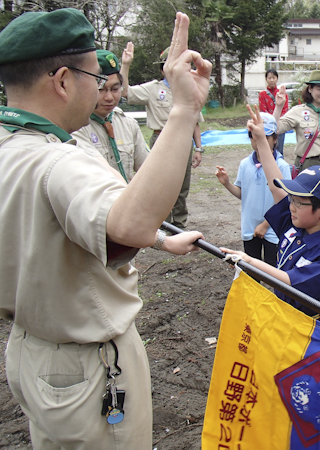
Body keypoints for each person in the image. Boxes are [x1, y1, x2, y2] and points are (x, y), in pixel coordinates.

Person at [0, 9, 209, 448]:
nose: (101, 89)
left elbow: (71, 231)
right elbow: (129, 223)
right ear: (61, 80)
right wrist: (185, 109)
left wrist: (160, 240)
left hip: (32, 348)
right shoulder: (58, 160)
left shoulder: (12, 145)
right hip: (86, 363)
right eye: (95, 76)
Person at [221, 105, 320, 326]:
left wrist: (249, 261)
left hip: (309, 328)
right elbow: (275, 186)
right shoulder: (294, 224)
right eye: (292, 199)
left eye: (299, 201)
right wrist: (260, 139)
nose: (292, 205)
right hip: (282, 318)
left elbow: (290, 281)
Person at [120, 42, 204, 229]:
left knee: (182, 185)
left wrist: (198, 148)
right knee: (161, 184)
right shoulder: (152, 89)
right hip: (161, 140)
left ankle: (179, 224)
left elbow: (195, 122)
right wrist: (125, 65)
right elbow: (125, 92)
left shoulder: (188, 89)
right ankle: (162, 223)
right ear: (163, 69)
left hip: (184, 142)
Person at [215, 112, 291, 269]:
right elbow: (244, 195)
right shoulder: (245, 164)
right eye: (252, 136)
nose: (257, 141)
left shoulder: (282, 166)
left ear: (275, 139)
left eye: (264, 136)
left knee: (273, 271)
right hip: (249, 227)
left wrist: (265, 224)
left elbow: (286, 202)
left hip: (273, 230)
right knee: (251, 271)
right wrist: (227, 184)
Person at [73, 49, 149, 182]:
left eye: (115, 89)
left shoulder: (128, 124)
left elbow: (147, 168)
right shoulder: (75, 128)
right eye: (101, 90)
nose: (109, 97)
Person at [273, 70, 320, 174]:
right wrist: (279, 106)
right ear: (310, 89)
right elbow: (275, 129)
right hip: (307, 165)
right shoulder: (298, 111)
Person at [259, 68, 288, 153]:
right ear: (266, 79)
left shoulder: (282, 93)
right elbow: (263, 110)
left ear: (277, 78)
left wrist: (278, 120)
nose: (271, 80)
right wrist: (271, 121)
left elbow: (285, 109)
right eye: (269, 78)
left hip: (279, 124)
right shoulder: (262, 94)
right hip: (268, 126)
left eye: (273, 77)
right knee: (267, 150)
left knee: (279, 149)